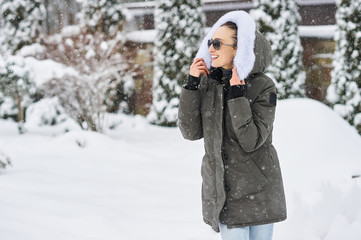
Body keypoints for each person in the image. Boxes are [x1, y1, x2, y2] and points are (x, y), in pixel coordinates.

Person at [178, 11, 287, 240]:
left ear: (239, 48)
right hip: (223, 192)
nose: (211, 49)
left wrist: (237, 95)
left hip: (258, 192)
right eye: (210, 42)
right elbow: (190, 132)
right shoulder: (209, 84)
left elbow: (252, 140)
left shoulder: (263, 87)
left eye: (217, 44)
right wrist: (192, 86)